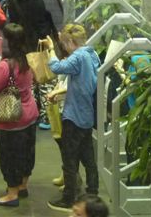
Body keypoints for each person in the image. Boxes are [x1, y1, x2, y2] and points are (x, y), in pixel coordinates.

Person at [0, 24, 39, 207]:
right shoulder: (26, 60)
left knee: (9, 157)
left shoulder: (5, 66)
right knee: (26, 153)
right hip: (29, 114)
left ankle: (12, 194)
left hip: (10, 118)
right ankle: (23, 186)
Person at [45, 25, 100, 212]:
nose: (64, 48)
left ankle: (68, 199)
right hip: (86, 115)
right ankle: (93, 194)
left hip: (74, 116)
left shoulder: (78, 56)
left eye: (64, 44)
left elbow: (56, 67)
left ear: (70, 41)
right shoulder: (92, 55)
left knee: (69, 159)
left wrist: (51, 49)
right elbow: (83, 83)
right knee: (89, 159)